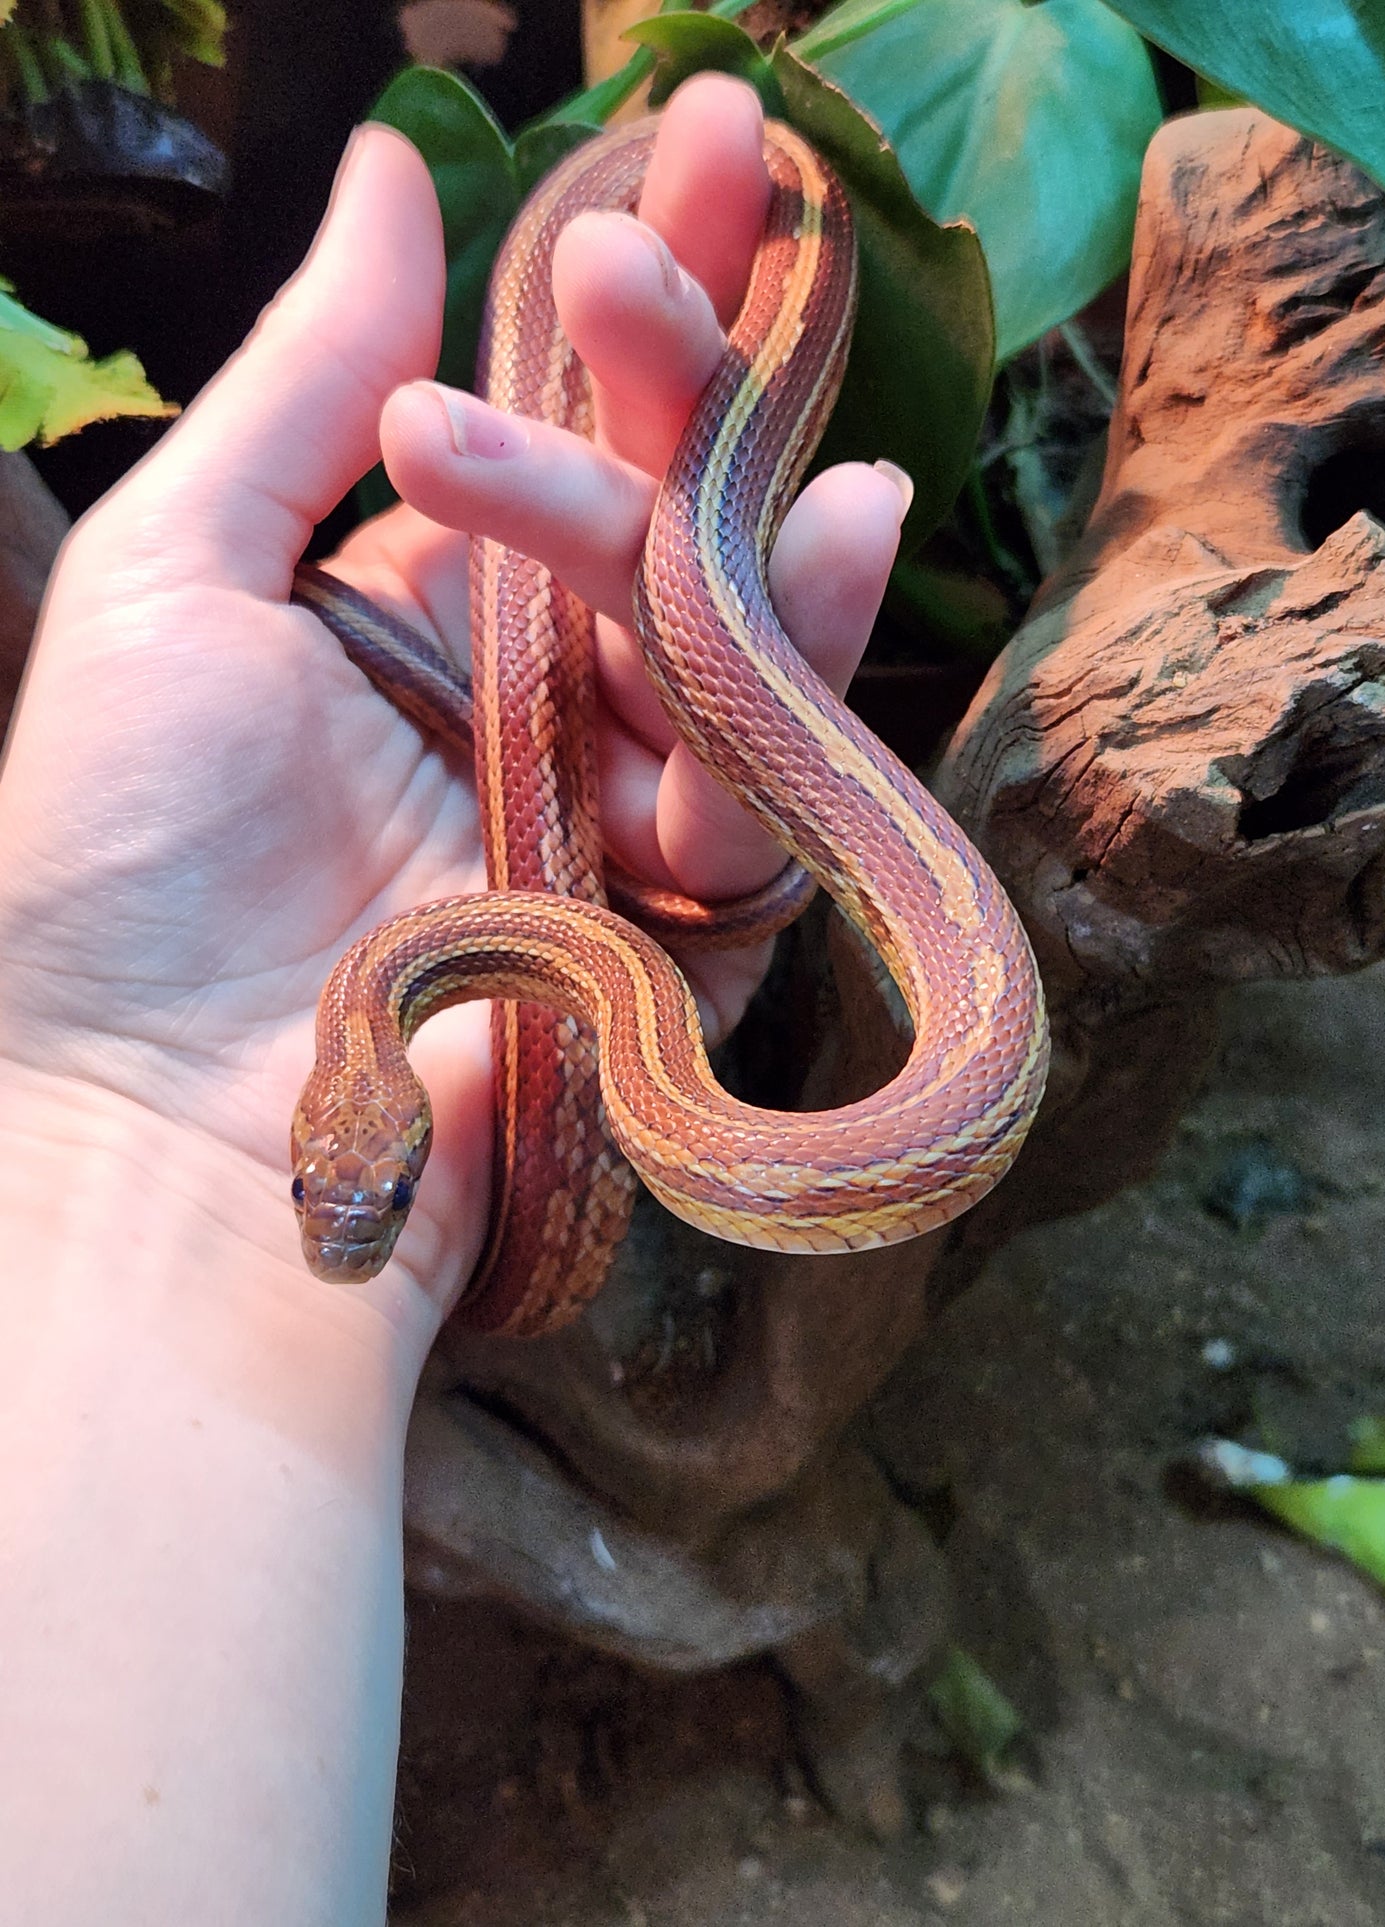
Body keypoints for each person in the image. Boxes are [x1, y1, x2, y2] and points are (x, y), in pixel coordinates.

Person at [0, 73, 909, 1921]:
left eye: (352, 1197)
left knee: (717, 428)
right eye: (364, 1202)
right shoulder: (448, 1016)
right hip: (515, 909)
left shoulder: (462, 990)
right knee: (709, 656)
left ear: (362, 1116)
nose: (351, 1224)